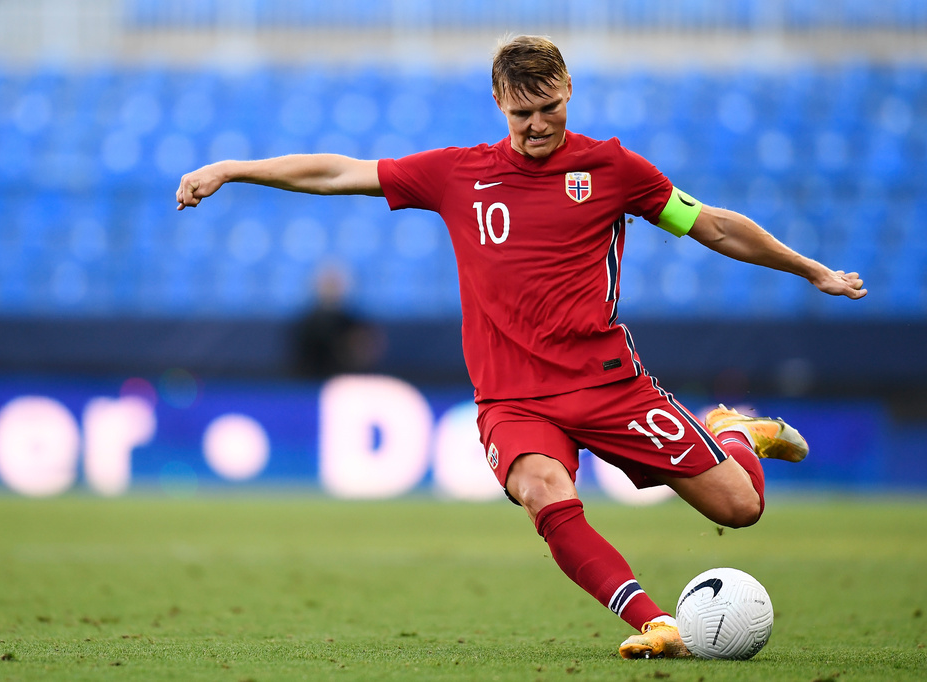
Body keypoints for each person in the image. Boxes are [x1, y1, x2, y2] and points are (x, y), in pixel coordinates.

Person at [176, 35, 866, 659]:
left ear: (568, 94)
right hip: (513, 398)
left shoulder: (613, 168)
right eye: (521, 113)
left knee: (740, 508)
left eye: (550, 109)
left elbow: (710, 225)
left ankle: (736, 432)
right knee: (541, 490)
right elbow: (338, 173)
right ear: (499, 104)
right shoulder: (457, 174)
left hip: (608, 384)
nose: (537, 126)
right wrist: (234, 168)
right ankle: (656, 622)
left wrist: (812, 270)